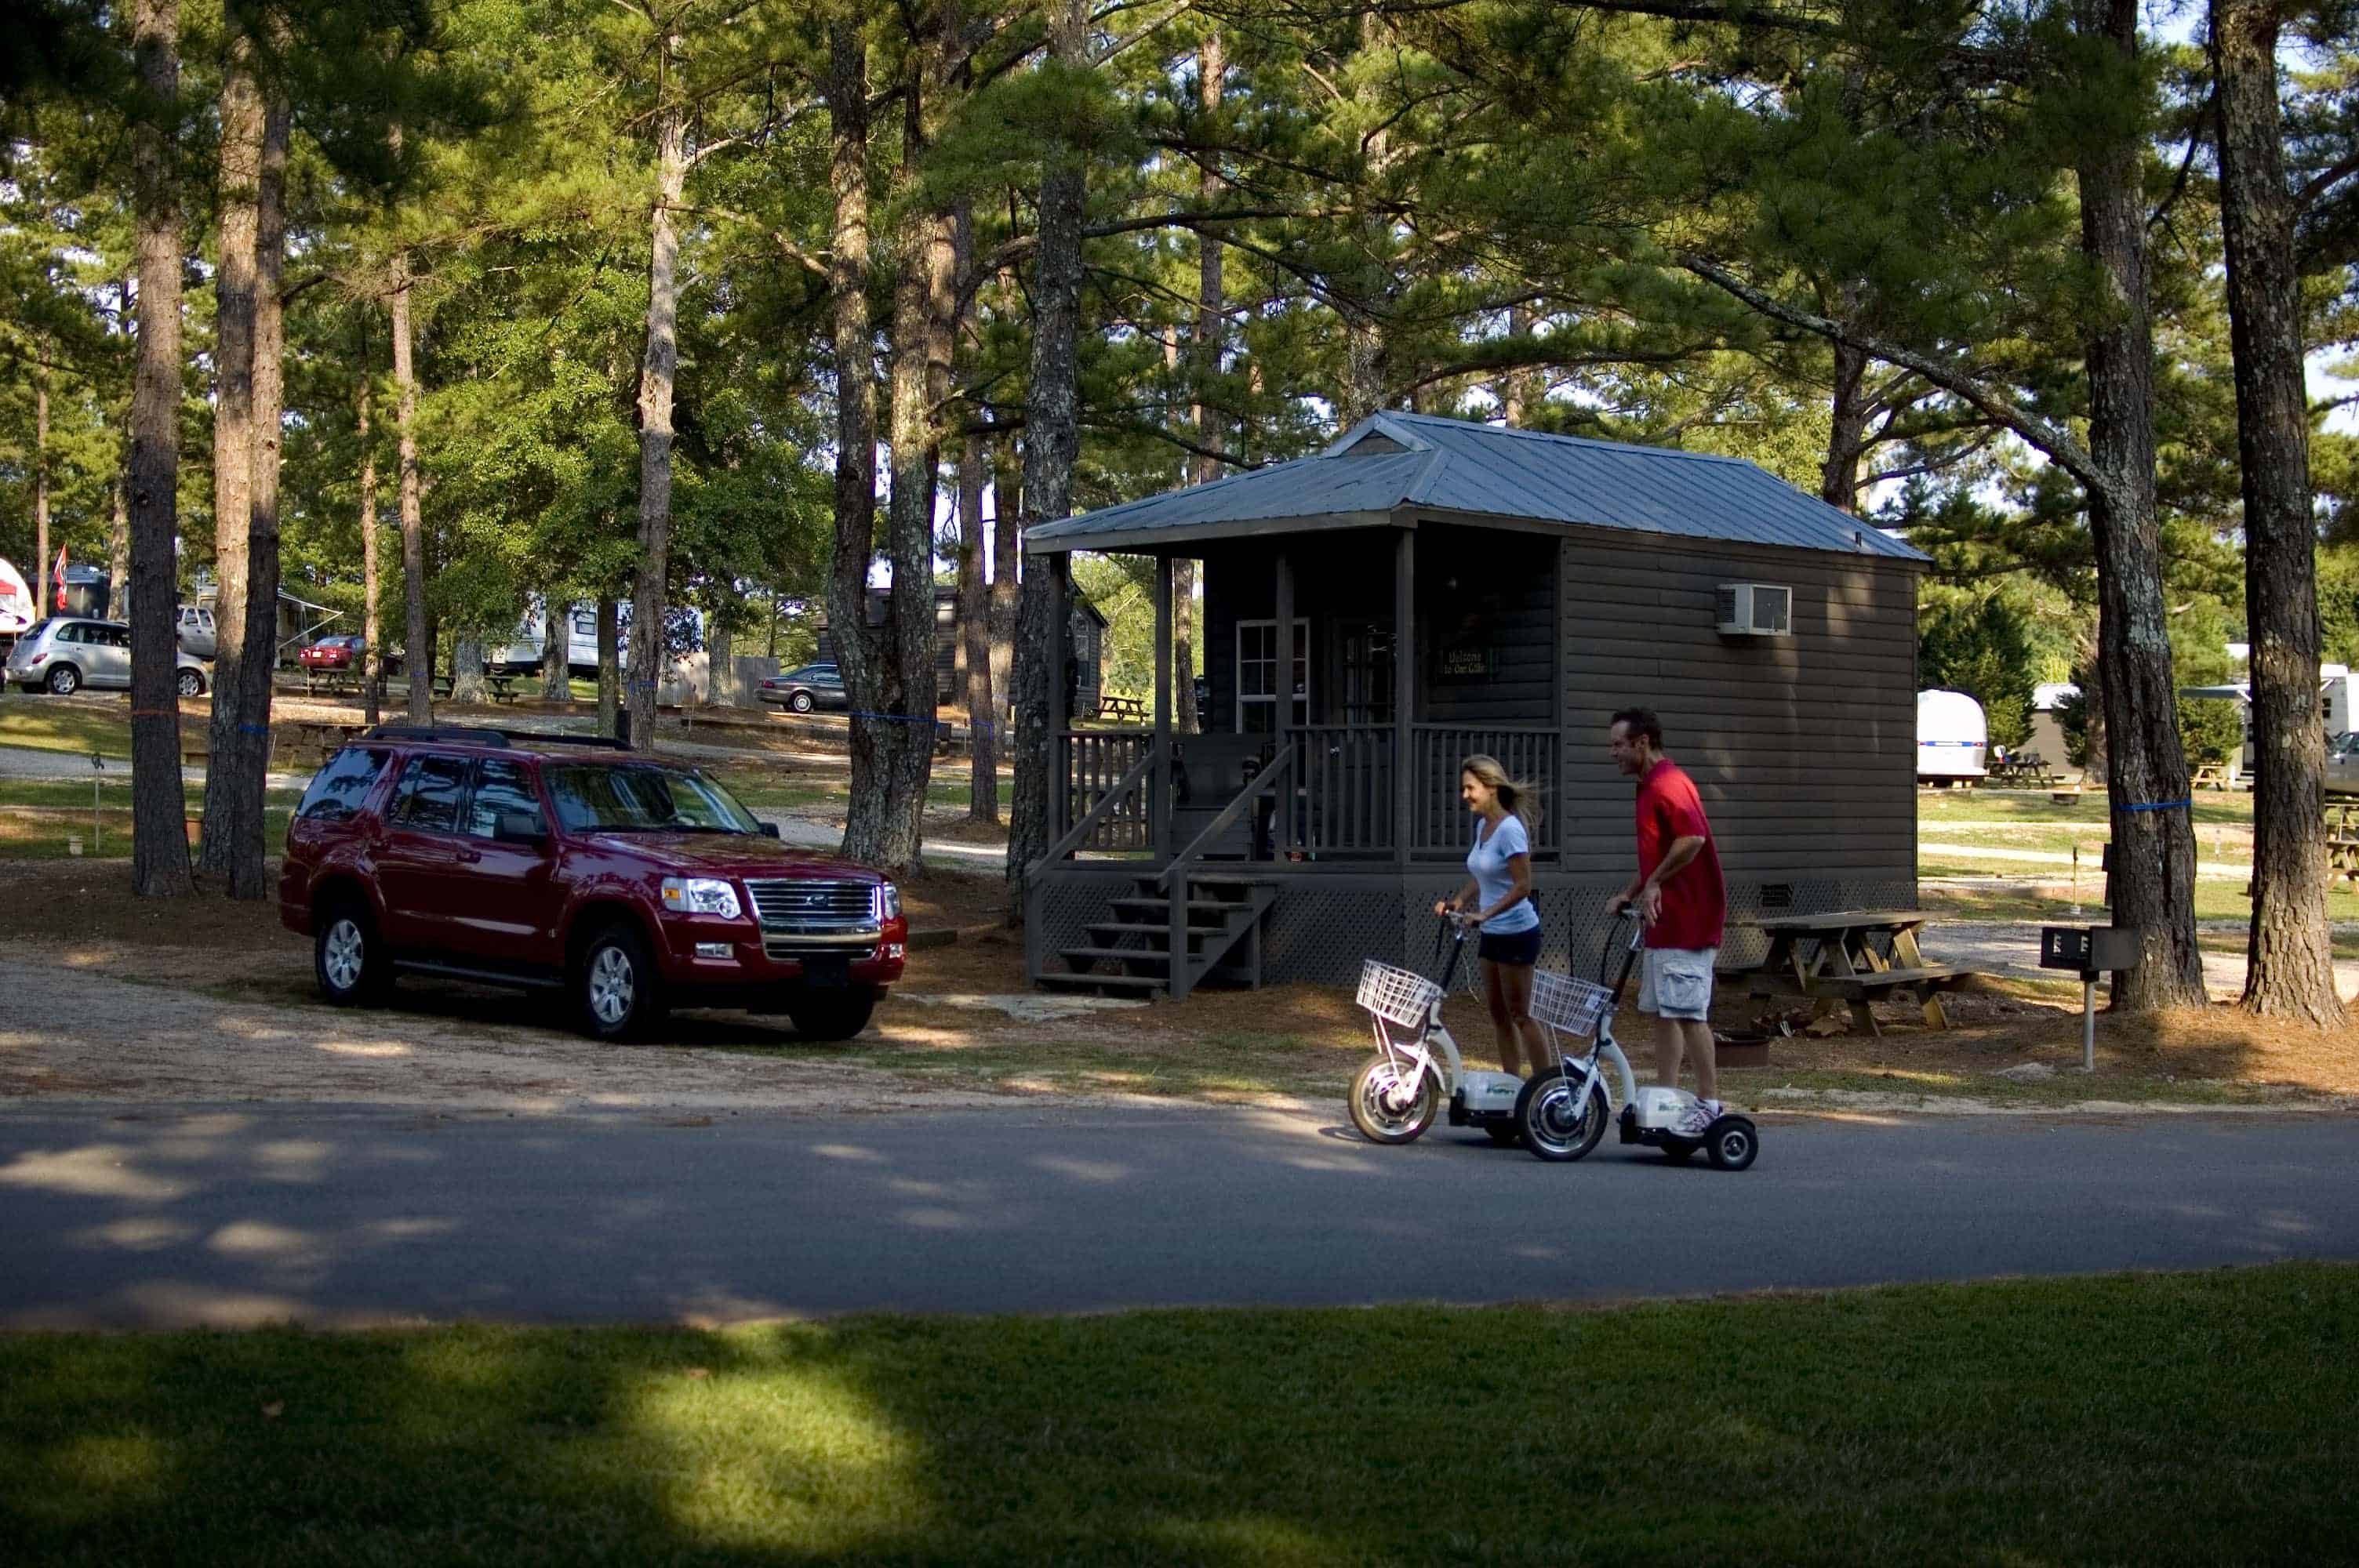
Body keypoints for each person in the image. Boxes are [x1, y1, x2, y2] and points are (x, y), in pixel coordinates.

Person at [1605, 708, 1727, 1137]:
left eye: (1618, 744)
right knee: (1664, 1013)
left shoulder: (1669, 783)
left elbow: (1692, 840)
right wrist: (1632, 892)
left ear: (1642, 742)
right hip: (1663, 921)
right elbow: (1661, 854)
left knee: (1690, 1013)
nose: (1612, 752)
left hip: (1689, 920)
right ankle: (1669, 1097)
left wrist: (1654, 884)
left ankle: (1710, 1103)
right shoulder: (1647, 787)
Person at [1434, 754, 1548, 1077]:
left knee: (1521, 1014)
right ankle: (1512, 1083)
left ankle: (1544, 1088)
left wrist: (1484, 914)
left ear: (1491, 788)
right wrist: (1459, 902)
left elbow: (1523, 886)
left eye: (1470, 788)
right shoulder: (1484, 826)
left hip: (1517, 932)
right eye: (1463, 788)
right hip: (1492, 934)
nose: (1465, 795)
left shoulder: (1510, 830)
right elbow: (1482, 875)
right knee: (1498, 1014)